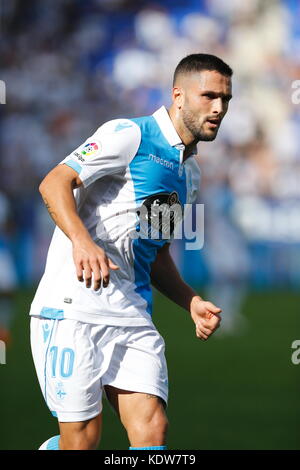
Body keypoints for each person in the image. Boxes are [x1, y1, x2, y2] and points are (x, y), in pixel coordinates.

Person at [30, 53, 232, 450]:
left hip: (132, 314)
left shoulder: (188, 173)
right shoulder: (129, 134)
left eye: (226, 99)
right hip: (74, 307)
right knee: (82, 442)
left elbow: (154, 253)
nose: (219, 108)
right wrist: (82, 242)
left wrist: (190, 301)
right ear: (178, 95)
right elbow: (54, 182)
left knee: (152, 429)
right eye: (208, 96)